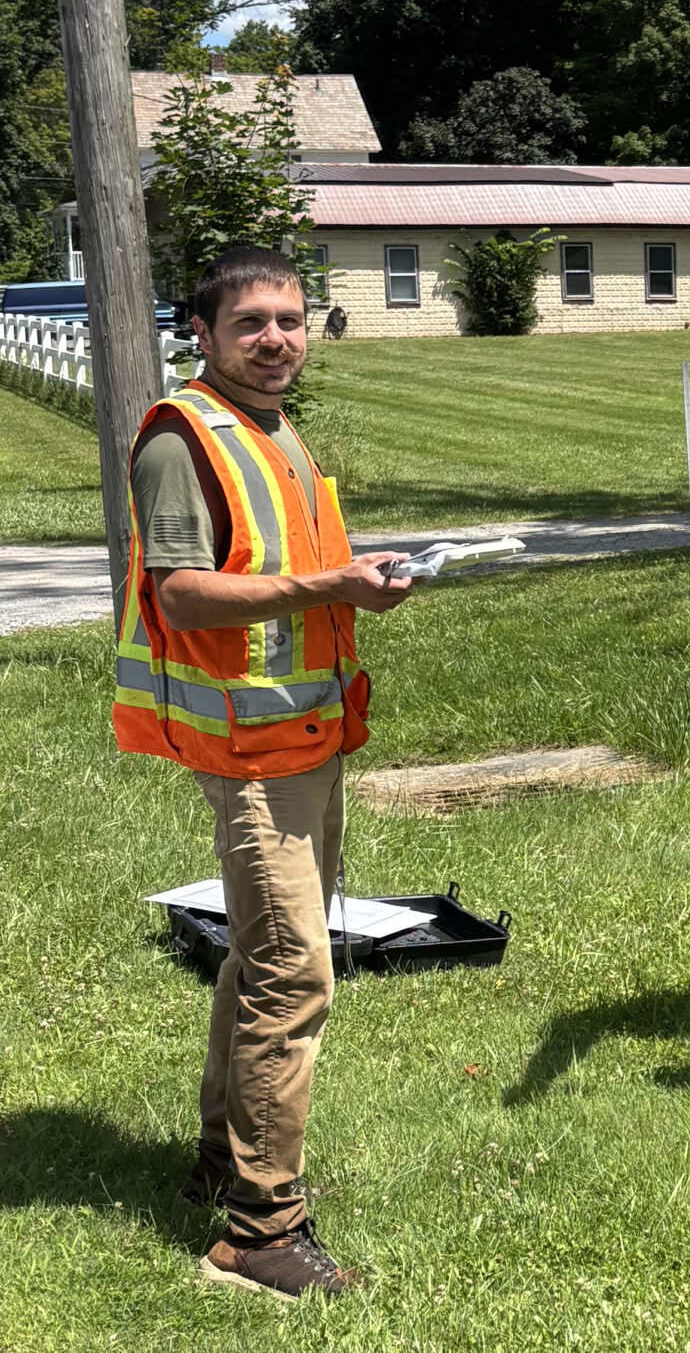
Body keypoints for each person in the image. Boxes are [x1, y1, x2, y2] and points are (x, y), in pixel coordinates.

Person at [111, 243, 413, 1299]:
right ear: (203, 331)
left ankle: (213, 1162)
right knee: (293, 974)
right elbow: (184, 595)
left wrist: (359, 575)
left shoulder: (273, 426)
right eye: (252, 323)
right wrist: (336, 580)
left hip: (306, 743)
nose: (277, 338)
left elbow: (276, 565)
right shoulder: (182, 438)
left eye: (290, 319)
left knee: (257, 959)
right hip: (249, 754)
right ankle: (258, 1233)